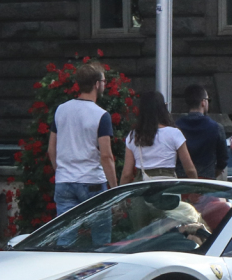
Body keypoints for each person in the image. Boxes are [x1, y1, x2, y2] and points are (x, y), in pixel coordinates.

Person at [48, 61, 118, 218]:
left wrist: (61, 171)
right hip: (92, 181)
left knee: (66, 235)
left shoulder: (61, 110)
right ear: (96, 84)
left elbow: (51, 149)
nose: (104, 85)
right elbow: (106, 156)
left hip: (64, 180)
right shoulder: (101, 115)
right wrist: (114, 189)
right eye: (104, 82)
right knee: (100, 235)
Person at [121, 91, 199, 183]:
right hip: (168, 186)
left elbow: (127, 174)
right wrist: (196, 189)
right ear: (163, 109)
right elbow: (190, 169)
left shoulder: (134, 135)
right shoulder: (174, 133)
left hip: (142, 187)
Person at [174, 84, 228, 180]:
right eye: (208, 100)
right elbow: (223, 159)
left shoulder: (176, 127)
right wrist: (213, 173)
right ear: (203, 102)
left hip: (182, 180)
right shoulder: (216, 128)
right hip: (206, 179)